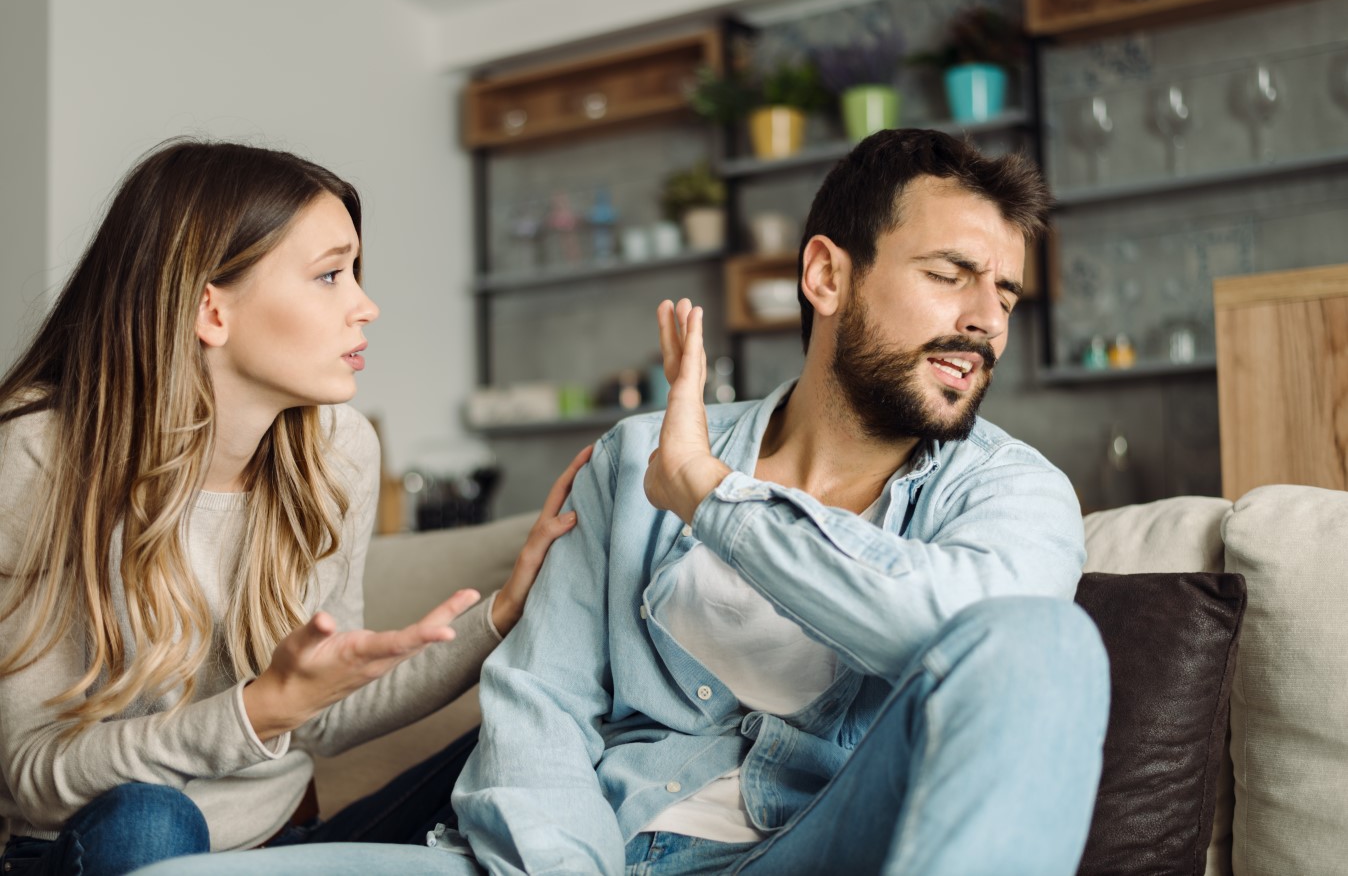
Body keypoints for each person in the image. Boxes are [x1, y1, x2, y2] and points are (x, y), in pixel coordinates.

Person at [137, 127, 1110, 876]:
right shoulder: (637, 454)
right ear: (824, 275)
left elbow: (956, 632)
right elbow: (540, 705)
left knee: (1043, 640)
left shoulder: (1012, 493)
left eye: (1007, 295)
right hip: (590, 851)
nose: (984, 319)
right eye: (949, 276)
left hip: (804, 852)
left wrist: (710, 499)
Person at [0, 139, 590, 876]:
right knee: (153, 817)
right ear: (209, 308)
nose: (366, 306)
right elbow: (30, 773)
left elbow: (325, 714)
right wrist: (258, 712)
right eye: (330, 275)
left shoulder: (336, 448)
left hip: (282, 845)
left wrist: (505, 611)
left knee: (541, 745)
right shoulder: (40, 454)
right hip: (95, 846)